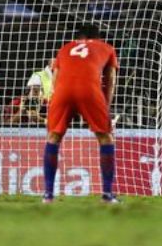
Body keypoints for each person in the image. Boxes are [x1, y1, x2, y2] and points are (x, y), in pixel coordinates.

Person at [43, 24, 119, 204]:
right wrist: (104, 107)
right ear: (98, 38)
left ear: (78, 38)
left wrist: (58, 103)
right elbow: (111, 80)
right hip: (90, 91)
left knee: (53, 136)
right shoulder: (107, 48)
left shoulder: (64, 49)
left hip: (62, 91)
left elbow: (55, 80)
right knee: (105, 137)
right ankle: (107, 195)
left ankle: (48, 196)